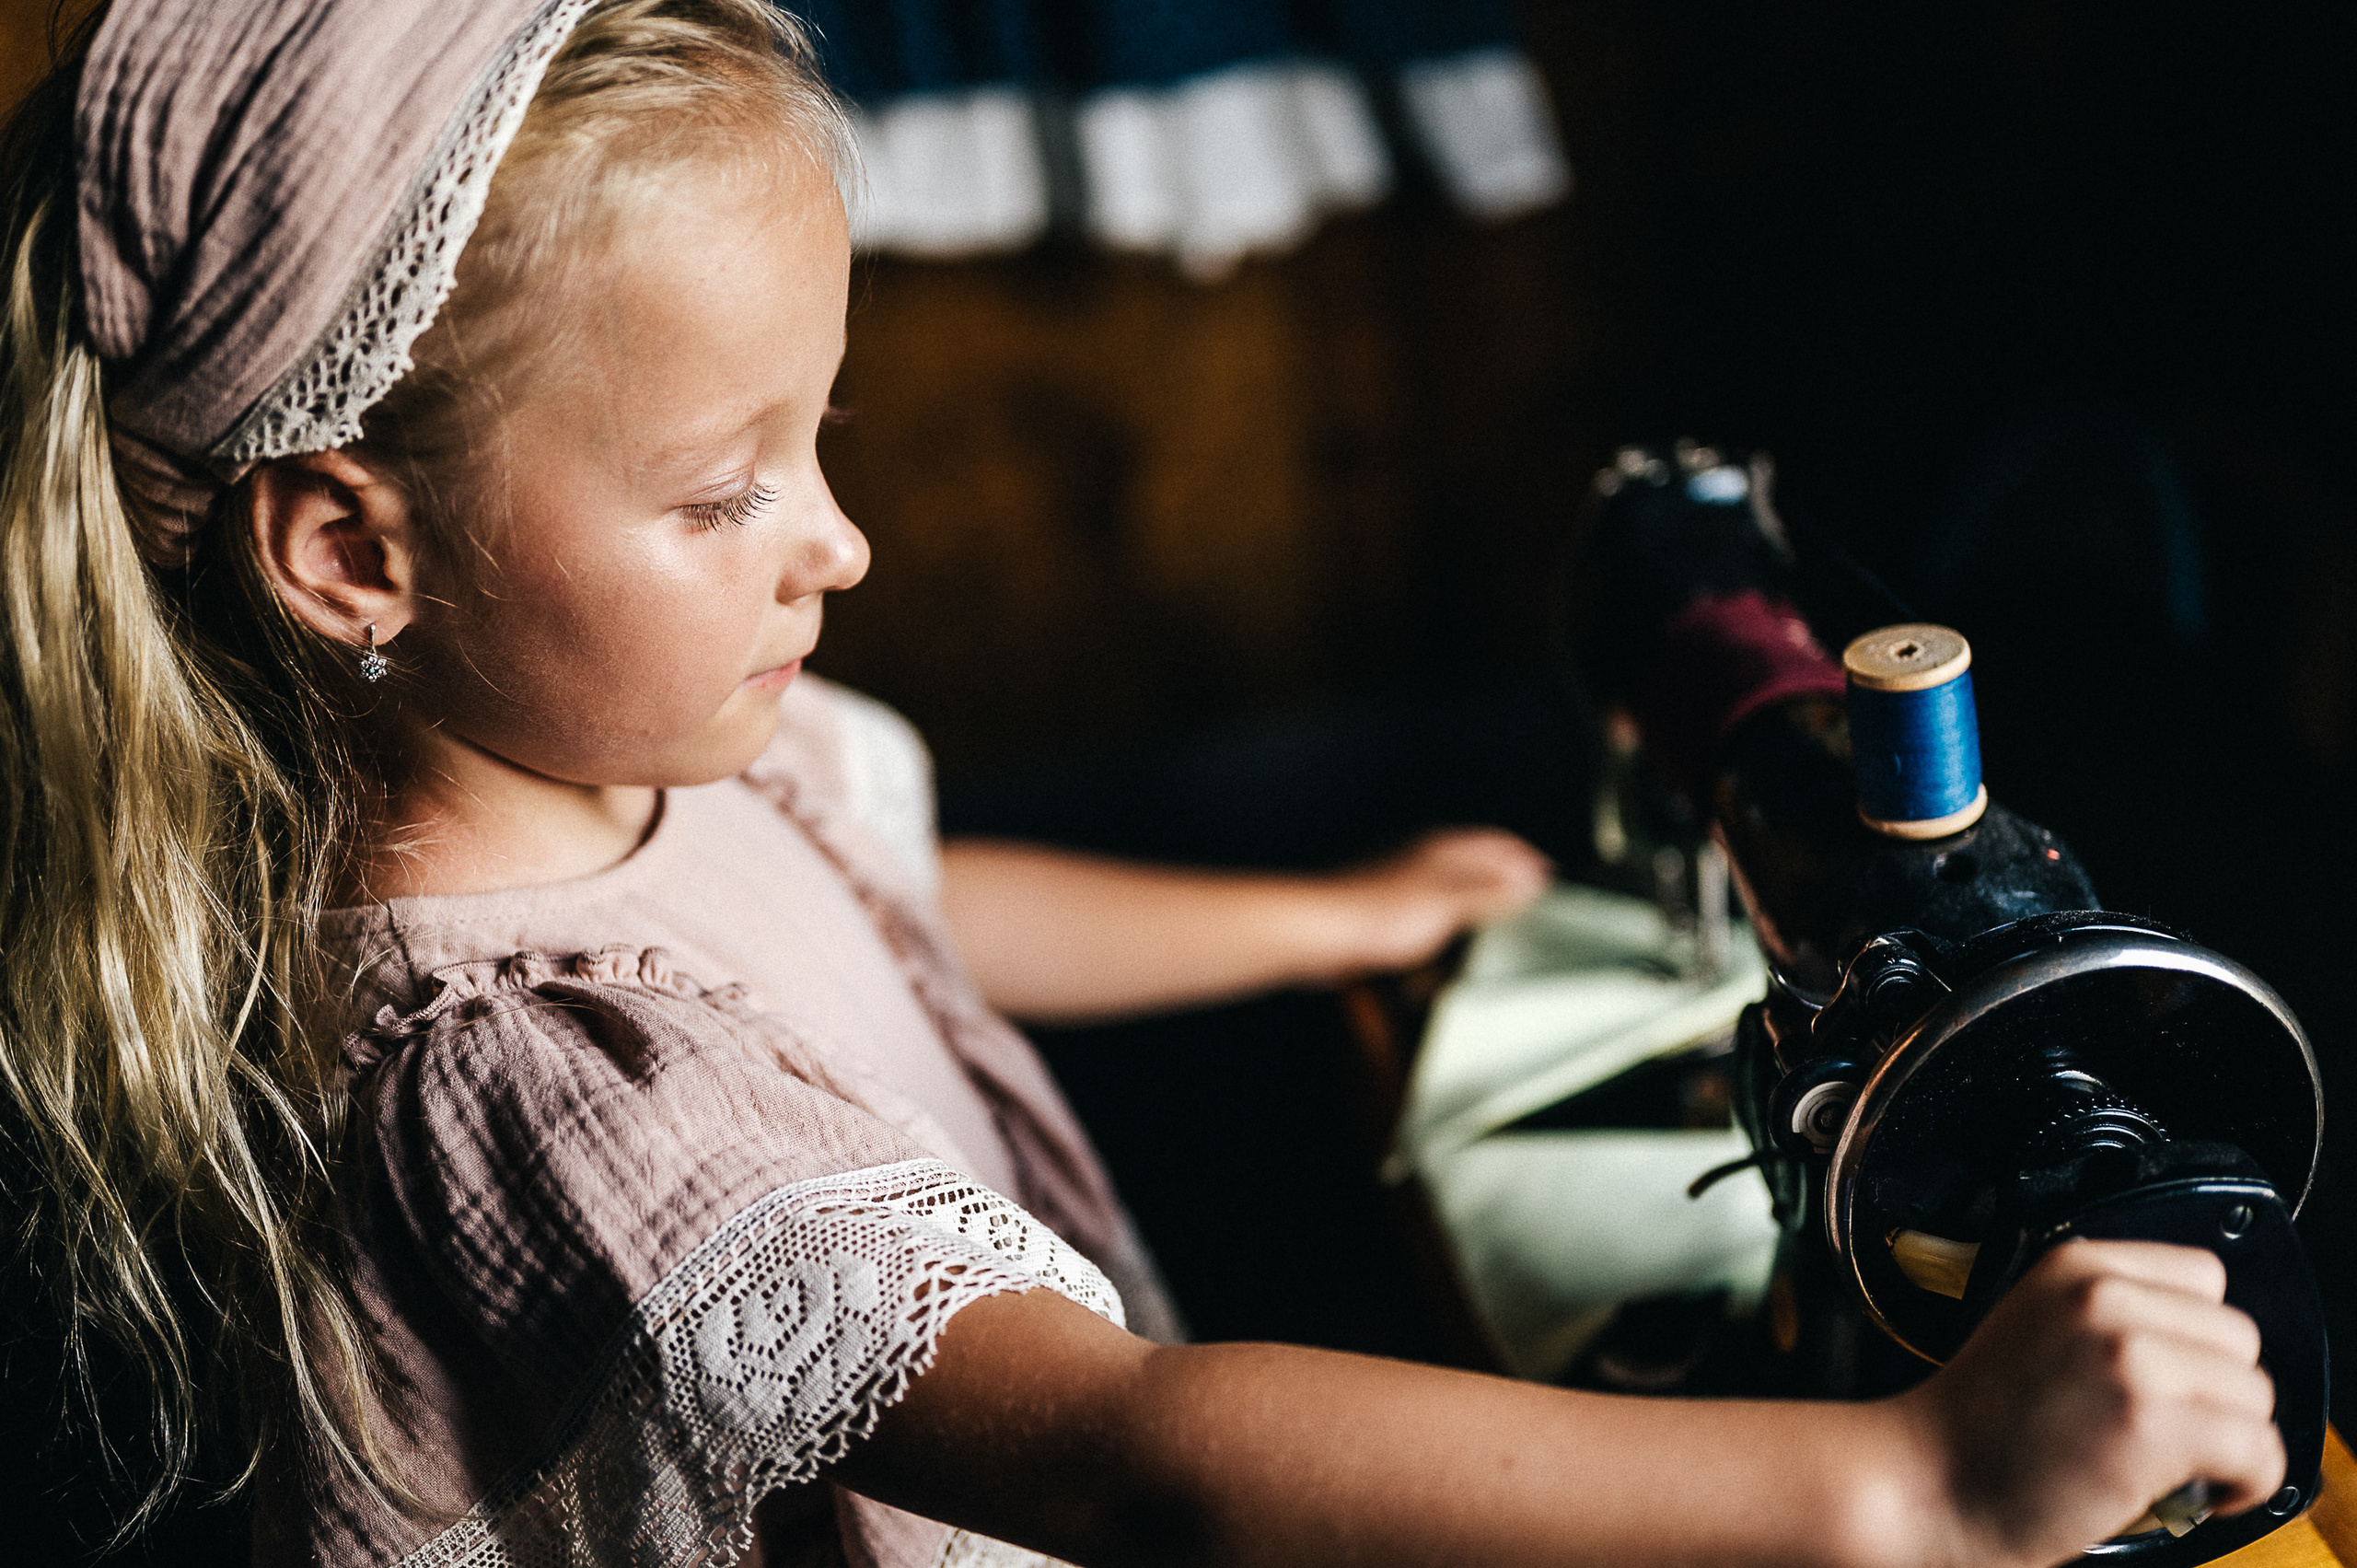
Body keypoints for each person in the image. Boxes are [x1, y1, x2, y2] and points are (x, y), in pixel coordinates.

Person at [0, 2, 2282, 1566]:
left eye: (824, 440)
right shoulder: (521, 1073)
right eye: (722, 495)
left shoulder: (641, 747)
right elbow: (1137, 1460)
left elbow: (905, 890)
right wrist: (1906, 1489)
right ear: (346, 552)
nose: (841, 541)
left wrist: (1320, 920)